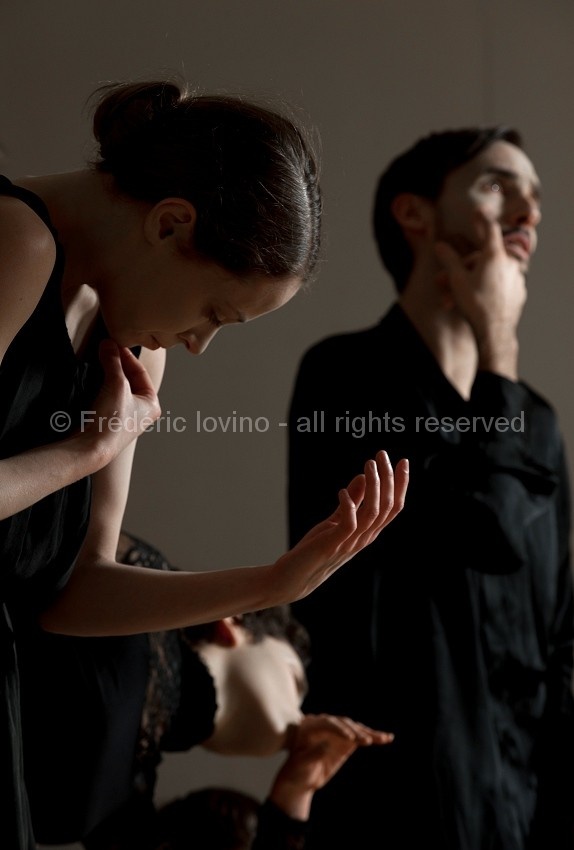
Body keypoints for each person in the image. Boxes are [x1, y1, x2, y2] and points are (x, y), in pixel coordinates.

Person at [0, 78, 411, 850]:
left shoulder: (133, 340)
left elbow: (73, 594)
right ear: (170, 223)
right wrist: (85, 451)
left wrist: (275, 581)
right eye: (215, 313)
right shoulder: (16, 243)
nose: (197, 343)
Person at [288, 127, 574, 849]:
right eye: (496, 185)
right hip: (403, 809)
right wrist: (500, 346)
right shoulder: (346, 375)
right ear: (413, 214)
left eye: (535, 200)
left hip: (532, 809)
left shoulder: (535, 422)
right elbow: (488, 533)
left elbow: (559, 628)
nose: (528, 215)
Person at [19, 532, 394, 850]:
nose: (301, 709)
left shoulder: (127, 803)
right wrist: (264, 587)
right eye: (296, 682)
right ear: (231, 625)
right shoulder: (133, 579)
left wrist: (295, 795)